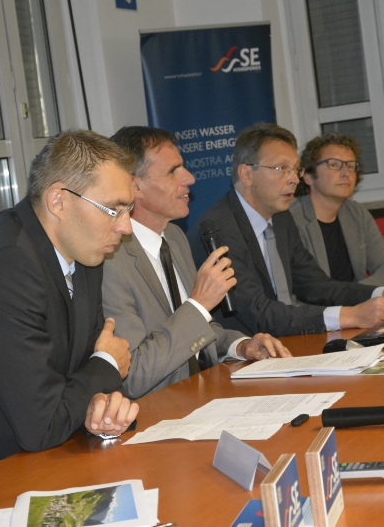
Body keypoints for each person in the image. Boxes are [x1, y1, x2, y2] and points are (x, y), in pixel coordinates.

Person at [0, 129, 139, 472]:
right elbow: (41, 424)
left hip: (60, 455)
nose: (126, 227)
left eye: (129, 209)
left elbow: (80, 376)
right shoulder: (6, 267)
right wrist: (107, 364)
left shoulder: (84, 252)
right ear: (58, 201)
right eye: (113, 210)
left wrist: (104, 407)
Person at [187, 123, 384, 338]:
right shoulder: (218, 229)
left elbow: (317, 286)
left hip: (285, 341)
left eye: (295, 169)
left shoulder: (281, 219)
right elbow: (260, 313)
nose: (294, 179)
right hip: (242, 354)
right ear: (247, 174)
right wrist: (352, 315)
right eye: (281, 168)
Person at [104, 127, 291, 399]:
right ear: (135, 186)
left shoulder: (175, 237)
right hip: (163, 408)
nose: (189, 178)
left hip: (209, 390)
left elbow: (200, 328)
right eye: (173, 171)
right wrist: (200, 303)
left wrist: (241, 346)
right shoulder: (111, 260)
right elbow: (134, 374)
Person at [291, 133, 384, 287]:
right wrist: (354, 295)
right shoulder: (291, 222)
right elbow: (301, 290)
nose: (346, 173)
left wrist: (357, 294)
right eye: (333, 164)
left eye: (351, 166)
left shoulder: (356, 213)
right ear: (308, 177)